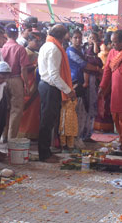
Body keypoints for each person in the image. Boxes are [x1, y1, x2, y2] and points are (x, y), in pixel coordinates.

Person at [38, 24, 76, 163]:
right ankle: (44, 154)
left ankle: (46, 151)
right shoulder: (54, 48)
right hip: (50, 87)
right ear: (63, 36)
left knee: (48, 121)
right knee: (47, 122)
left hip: (47, 85)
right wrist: (68, 91)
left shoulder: (47, 45)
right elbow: (54, 75)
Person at [66, 29, 102, 145]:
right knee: (78, 110)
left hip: (86, 83)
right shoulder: (70, 51)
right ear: (71, 39)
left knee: (87, 108)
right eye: (75, 37)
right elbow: (84, 64)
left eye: (79, 37)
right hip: (76, 82)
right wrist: (98, 70)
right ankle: (77, 136)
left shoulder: (82, 50)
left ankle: (87, 134)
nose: (78, 40)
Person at [0, 23, 30, 140]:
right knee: (16, 110)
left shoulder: (1, 48)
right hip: (16, 79)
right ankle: (11, 137)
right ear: (17, 34)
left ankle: (2, 135)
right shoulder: (20, 48)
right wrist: (26, 84)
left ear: (6, 34)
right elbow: (23, 68)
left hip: (1, 80)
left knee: (2, 108)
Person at [17, 33, 42, 139]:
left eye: (39, 41)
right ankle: (23, 132)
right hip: (28, 81)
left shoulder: (35, 52)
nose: (38, 43)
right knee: (26, 109)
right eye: (36, 41)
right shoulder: (25, 52)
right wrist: (35, 66)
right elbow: (23, 68)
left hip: (35, 81)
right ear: (29, 41)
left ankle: (31, 132)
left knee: (34, 109)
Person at [95, 31, 114, 132]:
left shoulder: (110, 53)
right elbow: (106, 69)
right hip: (104, 80)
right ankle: (101, 126)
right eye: (112, 43)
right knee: (104, 103)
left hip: (109, 81)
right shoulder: (104, 54)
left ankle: (107, 126)